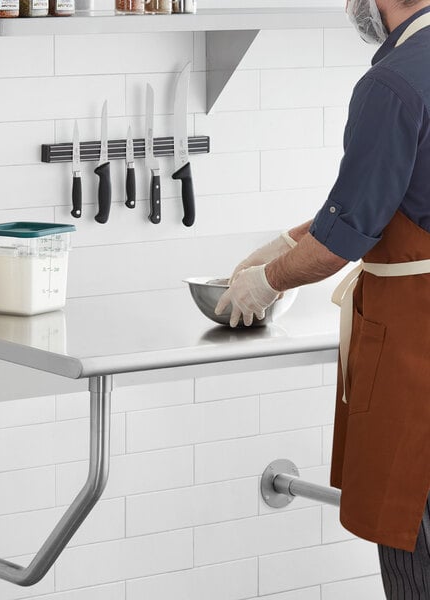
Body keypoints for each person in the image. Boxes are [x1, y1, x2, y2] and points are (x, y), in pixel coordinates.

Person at [214, 0, 430, 596]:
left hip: (421, 359)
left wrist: (267, 279)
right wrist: (287, 240)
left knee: (417, 546)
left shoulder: (394, 82)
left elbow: (346, 240)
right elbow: (384, 205)